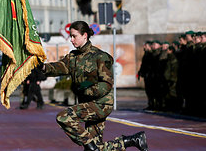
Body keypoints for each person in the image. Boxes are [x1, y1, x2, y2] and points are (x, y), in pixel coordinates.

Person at [41, 21, 148, 151]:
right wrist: (42, 67)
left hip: (101, 104)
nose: (71, 39)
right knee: (95, 148)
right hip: (88, 104)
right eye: (71, 36)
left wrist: (86, 90)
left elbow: (106, 84)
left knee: (64, 117)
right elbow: (59, 67)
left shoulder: (100, 57)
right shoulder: (73, 57)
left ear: (84, 35)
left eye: (74, 36)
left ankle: (89, 143)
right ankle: (131, 141)